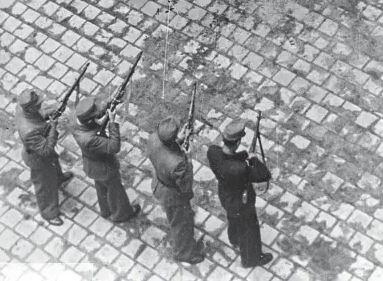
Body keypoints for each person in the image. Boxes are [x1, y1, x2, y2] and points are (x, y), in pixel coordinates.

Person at [207, 119, 273, 268]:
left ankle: (234, 238)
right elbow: (264, 174)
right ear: (237, 142)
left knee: (233, 218)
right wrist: (254, 159)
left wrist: (243, 155)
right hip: (241, 202)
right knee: (250, 228)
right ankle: (251, 259)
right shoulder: (242, 169)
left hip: (226, 196)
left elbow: (228, 159)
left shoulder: (213, 152)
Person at [147, 116, 205, 264]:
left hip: (159, 183)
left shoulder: (153, 138)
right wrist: (188, 157)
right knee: (181, 224)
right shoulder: (178, 163)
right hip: (173, 196)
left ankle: (186, 245)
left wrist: (178, 141)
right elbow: (185, 187)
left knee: (178, 220)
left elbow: (165, 149)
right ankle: (183, 253)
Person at [73, 96, 141, 222]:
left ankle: (106, 210)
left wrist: (109, 104)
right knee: (116, 191)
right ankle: (122, 214)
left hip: (92, 167)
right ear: (89, 120)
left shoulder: (77, 122)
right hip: (105, 168)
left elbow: (94, 121)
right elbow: (114, 146)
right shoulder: (90, 139)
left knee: (101, 188)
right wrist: (112, 123)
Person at [16, 89, 73, 226]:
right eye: (38, 104)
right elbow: (46, 150)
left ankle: (58, 178)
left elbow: (39, 114)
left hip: (43, 153)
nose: (41, 104)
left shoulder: (23, 109)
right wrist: (53, 127)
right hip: (39, 160)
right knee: (45, 185)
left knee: (54, 165)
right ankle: (49, 212)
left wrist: (53, 111)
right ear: (30, 107)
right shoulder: (29, 131)